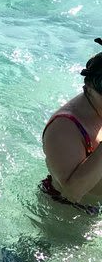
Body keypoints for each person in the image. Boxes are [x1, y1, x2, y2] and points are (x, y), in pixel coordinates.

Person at [41, 37, 102, 213]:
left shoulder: (98, 105)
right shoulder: (64, 128)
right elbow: (72, 193)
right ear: (88, 86)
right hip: (68, 216)